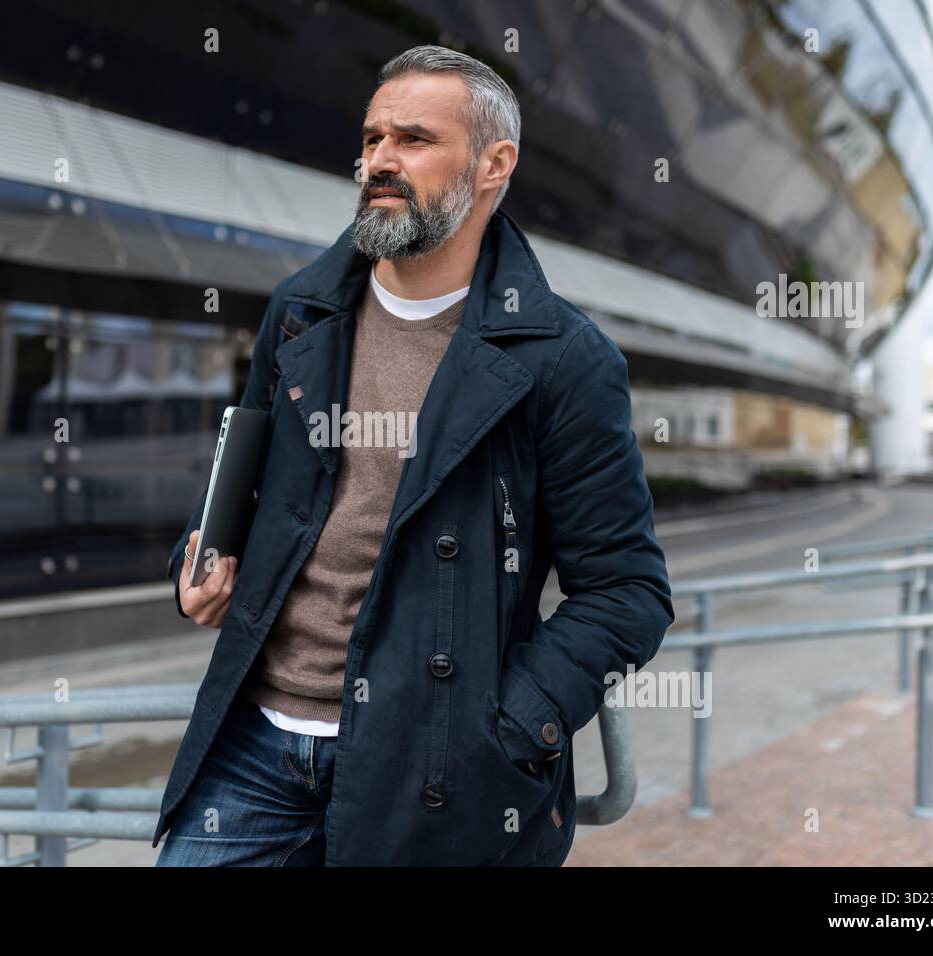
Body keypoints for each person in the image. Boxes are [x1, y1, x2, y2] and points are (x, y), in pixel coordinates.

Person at [153, 44, 674, 866]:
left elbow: (626, 592)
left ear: (495, 164)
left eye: (413, 140)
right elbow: (244, 486)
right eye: (370, 140)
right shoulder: (302, 310)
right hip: (252, 747)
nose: (378, 162)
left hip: (433, 765)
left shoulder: (562, 357)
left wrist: (506, 725)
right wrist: (199, 557)